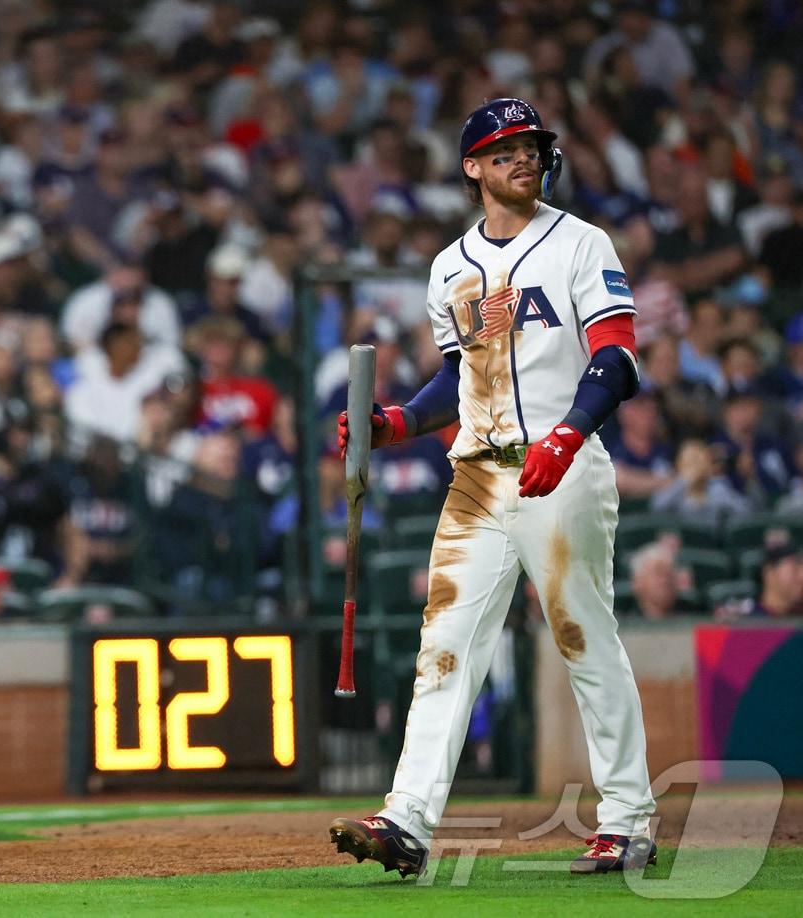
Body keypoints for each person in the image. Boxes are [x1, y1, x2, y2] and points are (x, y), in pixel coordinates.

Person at [329, 99, 657, 877]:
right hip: (476, 474)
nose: (522, 157)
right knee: (443, 647)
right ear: (472, 168)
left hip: (562, 464)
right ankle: (406, 822)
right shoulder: (449, 266)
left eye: (531, 145)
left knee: (582, 638)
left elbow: (617, 358)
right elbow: (459, 375)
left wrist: (569, 434)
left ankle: (628, 819)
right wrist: (399, 424)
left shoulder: (581, 243)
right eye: (504, 149)